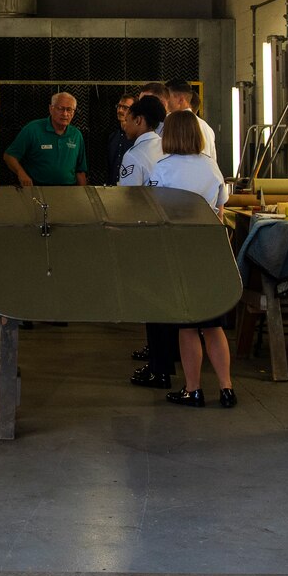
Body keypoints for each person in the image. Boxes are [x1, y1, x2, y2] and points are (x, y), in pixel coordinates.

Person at [147, 110, 236, 409]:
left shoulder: (163, 169)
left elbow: (156, 212)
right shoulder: (212, 168)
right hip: (210, 249)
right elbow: (221, 212)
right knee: (213, 325)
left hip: (179, 250)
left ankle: (193, 389)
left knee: (187, 325)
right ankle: (226, 388)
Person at [120, 95, 175, 387]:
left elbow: (128, 201)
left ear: (140, 121)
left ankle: (159, 369)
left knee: (153, 305)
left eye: (128, 118)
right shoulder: (169, 149)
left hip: (147, 236)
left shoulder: (134, 156)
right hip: (172, 235)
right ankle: (165, 359)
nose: (125, 123)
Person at [2, 91, 89, 189]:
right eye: (60, 109)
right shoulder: (33, 129)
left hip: (68, 191)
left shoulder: (76, 135)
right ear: (51, 109)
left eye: (69, 110)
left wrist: (84, 193)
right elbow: (9, 156)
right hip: (37, 189)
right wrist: (21, 173)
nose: (65, 114)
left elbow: (80, 170)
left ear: (73, 113)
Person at [164, 81, 218, 167]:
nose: (165, 103)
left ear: (181, 100)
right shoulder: (206, 127)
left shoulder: (174, 125)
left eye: (167, 98)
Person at [105, 95, 134, 185]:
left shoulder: (137, 138)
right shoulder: (113, 136)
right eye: (119, 106)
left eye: (125, 108)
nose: (120, 110)